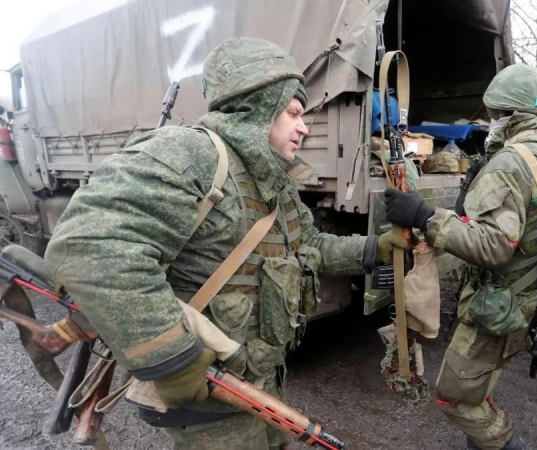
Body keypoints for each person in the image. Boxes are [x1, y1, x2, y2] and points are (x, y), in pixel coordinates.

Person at [44, 37, 404, 450]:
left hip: (260, 384)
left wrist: (375, 249)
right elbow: (89, 247)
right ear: (259, 108)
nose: (304, 127)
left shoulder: (273, 182)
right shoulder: (191, 154)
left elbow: (310, 247)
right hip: (210, 395)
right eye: (292, 113)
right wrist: (173, 359)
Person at [384, 64, 537, 450]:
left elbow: (493, 246)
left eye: (496, 113)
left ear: (512, 115)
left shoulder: (511, 163)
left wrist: (424, 216)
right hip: (530, 298)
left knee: (457, 397)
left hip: (499, 302)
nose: (491, 122)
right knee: (478, 385)